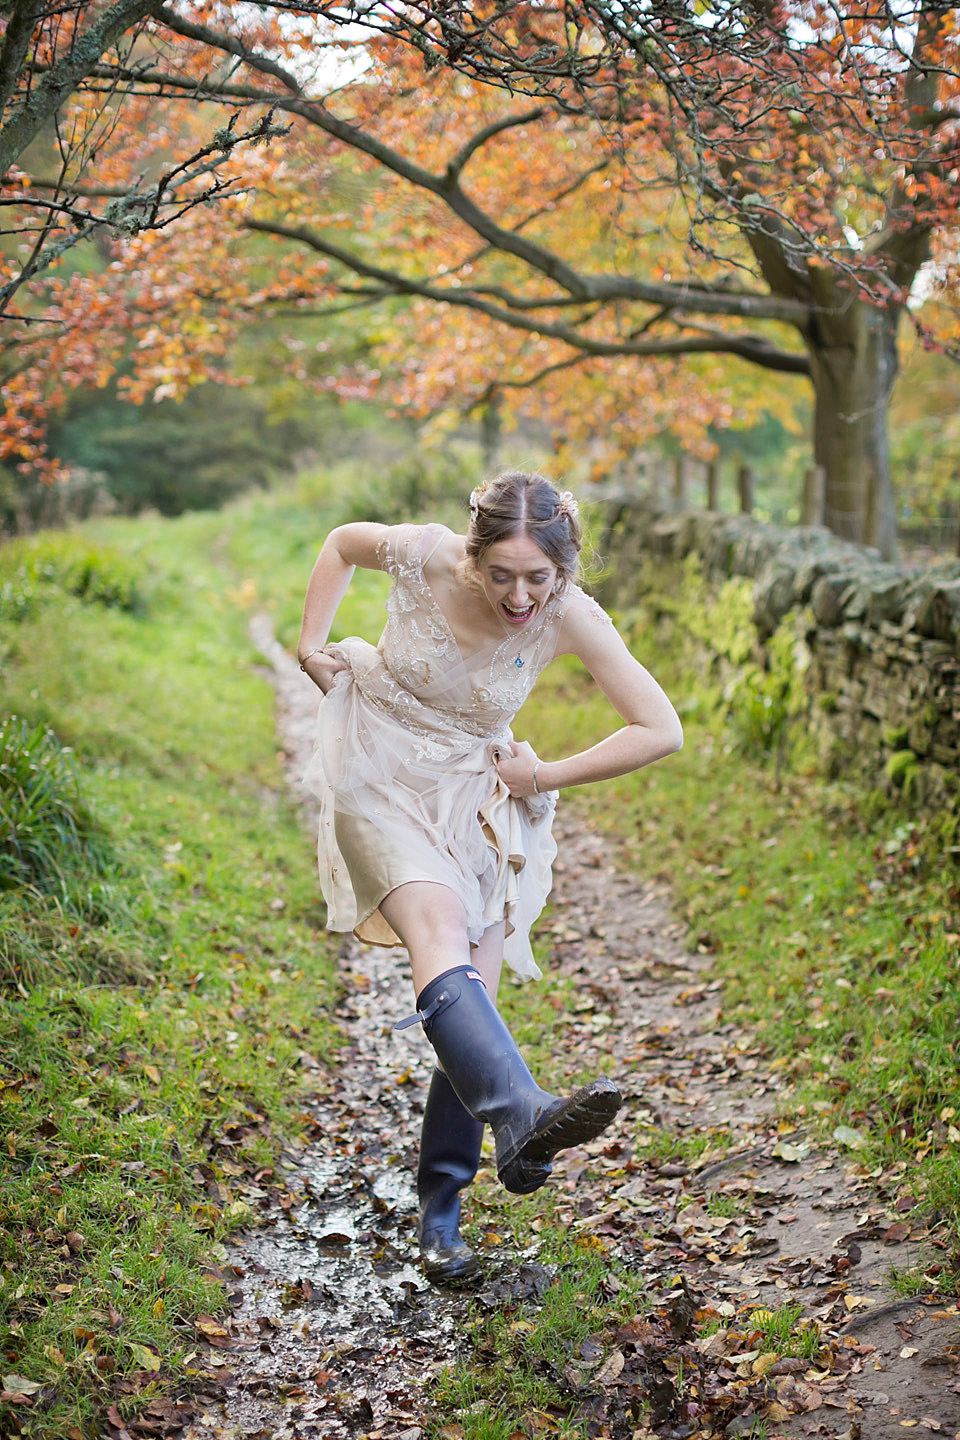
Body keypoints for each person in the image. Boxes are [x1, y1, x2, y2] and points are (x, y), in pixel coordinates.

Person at [298, 470, 682, 1283]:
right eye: (499, 575)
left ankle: (444, 1211)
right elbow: (340, 545)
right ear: (472, 554)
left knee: (473, 1007)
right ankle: (523, 1117)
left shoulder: (570, 615)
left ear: (564, 568)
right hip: (380, 768)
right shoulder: (424, 555)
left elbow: (661, 729)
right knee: (437, 937)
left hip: (478, 794)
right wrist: (309, 645)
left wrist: (541, 778)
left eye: (537, 579)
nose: (518, 597)